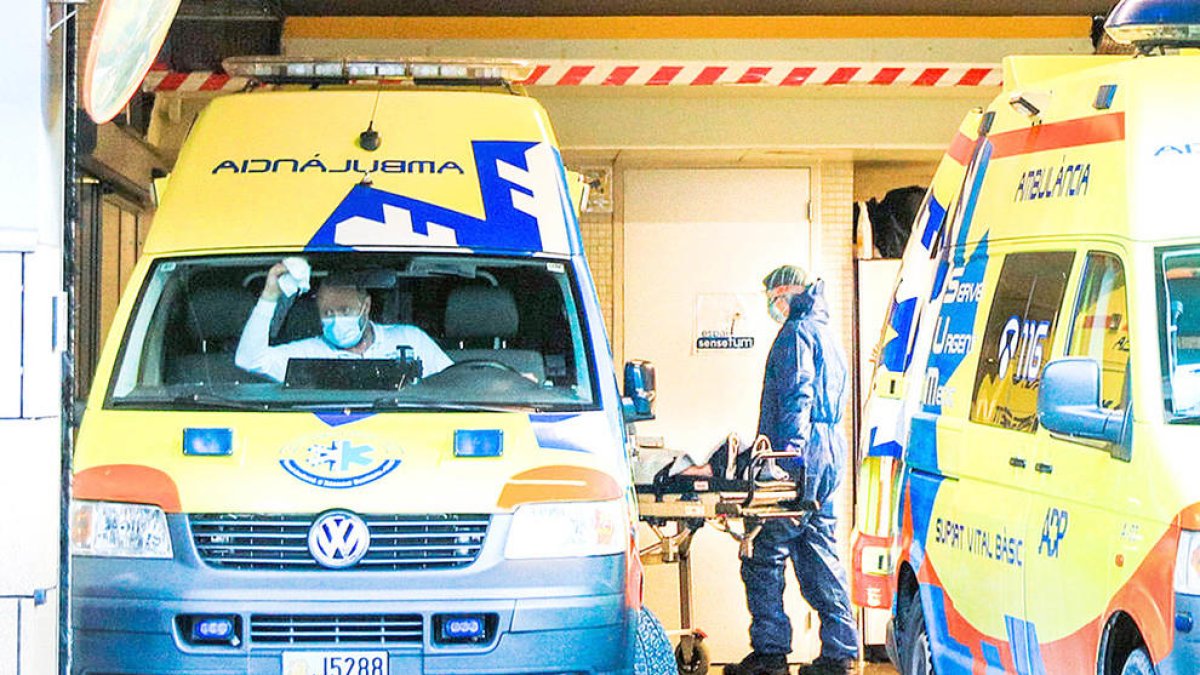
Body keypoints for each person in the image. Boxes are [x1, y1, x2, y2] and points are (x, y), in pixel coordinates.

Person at [725, 264, 859, 675]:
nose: (771, 306)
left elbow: (798, 395)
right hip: (830, 454)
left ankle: (769, 654)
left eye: (772, 298)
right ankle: (840, 654)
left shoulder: (797, 333)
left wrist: (787, 461)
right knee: (818, 553)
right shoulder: (827, 333)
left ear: (786, 293)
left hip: (802, 455)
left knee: (763, 551)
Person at [235, 261, 453, 382]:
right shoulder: (307, 353)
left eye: (345, 310)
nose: (337, 319)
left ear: (365, 307)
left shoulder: (409, 339)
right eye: (328, 313)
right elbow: (249, 360)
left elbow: (453, 383)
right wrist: (270, 295)